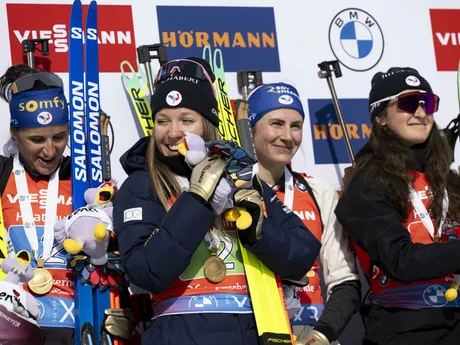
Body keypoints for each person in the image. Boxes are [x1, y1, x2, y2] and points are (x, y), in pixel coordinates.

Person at [112, 57, 322, 345]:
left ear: (207, 126)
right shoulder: (141, 184)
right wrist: (199, 200)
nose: (173, 132)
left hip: (254, 330)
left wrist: (258, 230)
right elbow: (147, 271)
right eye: (162, 120)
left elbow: (302, 254)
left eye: (186, 120)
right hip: (179, 333)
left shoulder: (239, 174)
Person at [335, 67, 460, 345]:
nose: (420, 112)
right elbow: (399, 261)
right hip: (406, 329)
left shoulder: (447, 178)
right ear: (380, 117)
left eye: (427, 103)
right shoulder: (365, 182)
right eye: (406, 103)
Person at [247, 82, 361, 345]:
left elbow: (345, 282)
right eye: (276, 123)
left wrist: (321, 336)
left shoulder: (318, 191)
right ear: (251, 129)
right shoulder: (229, 192)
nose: (288, 136)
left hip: (309, 332)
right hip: (251, 331)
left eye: (295, 125)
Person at [0, 64, 75, 344]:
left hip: (72, 324)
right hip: (9, 323)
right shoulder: (3, 173)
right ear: (15, 133)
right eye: (36, 139)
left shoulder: (80, 175)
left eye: (59, 137)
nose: (49, 150)